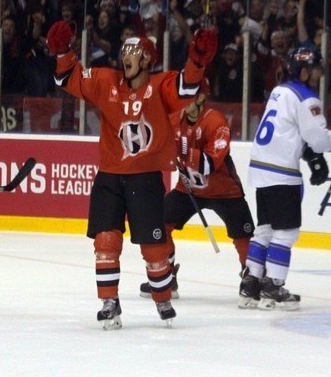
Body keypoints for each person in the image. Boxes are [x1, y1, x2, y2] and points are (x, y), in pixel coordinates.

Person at [48, 20, 217, 330]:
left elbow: (186, 87)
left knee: (155, 249)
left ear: (147, 59)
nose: (126, 55)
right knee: (106, 241)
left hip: (146, 178)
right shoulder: (106, 81)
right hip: (110, 177)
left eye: (134, 51)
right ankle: (109, 302)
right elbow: (68, 79)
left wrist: (197, 61)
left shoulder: (161, 85)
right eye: (124, 50)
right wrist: (62, 52)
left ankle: (162, 297)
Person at [239, 48, 331, 311]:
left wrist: (310, 156)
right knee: (286, 233)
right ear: (304, 71)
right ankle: (273, 286)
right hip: (282, 170)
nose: (320, 73)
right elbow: (318, 138)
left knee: (265, 229)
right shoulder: (306, 98)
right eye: (316, 68)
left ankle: (250, 284)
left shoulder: (280, 91)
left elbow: (289, 131)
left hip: (261, 167)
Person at [139, 79, 255, 300]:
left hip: (225, 191)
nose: (182, 101)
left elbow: (210, 163)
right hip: (187, 188)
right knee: (158, 223)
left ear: (201, 97)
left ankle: (250, 276)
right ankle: (166, 275)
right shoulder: (173, 120)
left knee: (244, 233)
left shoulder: (216, 122)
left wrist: (180, 153)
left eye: (189, 96)